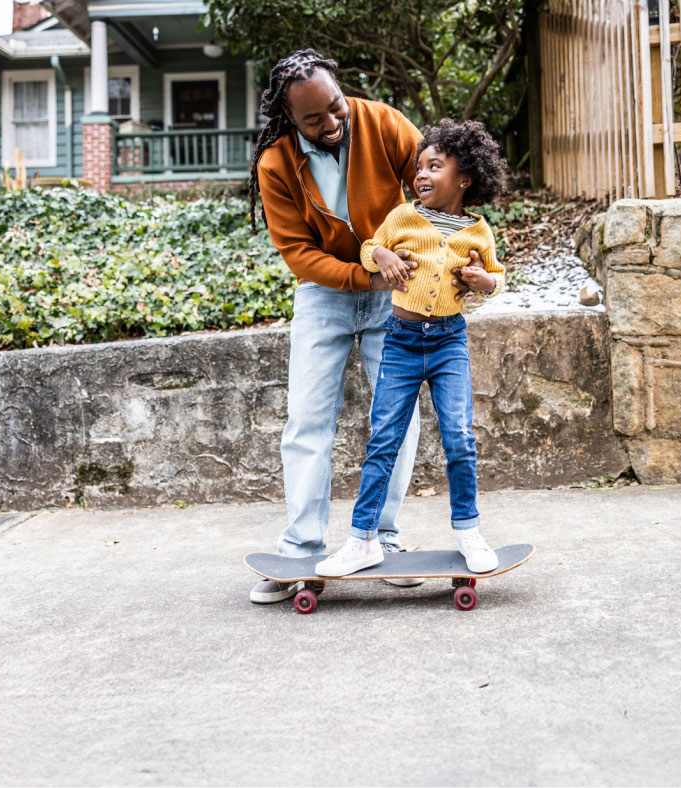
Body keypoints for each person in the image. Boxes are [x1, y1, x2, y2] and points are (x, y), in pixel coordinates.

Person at [247, 49, 427, 603]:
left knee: (396, 417)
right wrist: (361, 277)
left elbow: (434, 184)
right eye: (313, 119)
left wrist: (454, 251)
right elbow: (299, 254)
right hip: (326, 294)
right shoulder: (275, 164)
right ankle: (301, 552)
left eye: (335, 107)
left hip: (396, 286)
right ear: (288, 118)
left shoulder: (383, 122)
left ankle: (382, 540)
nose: (331, 123)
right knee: (306, 421)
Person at [314, 119, 507, 578]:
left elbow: (495, 277)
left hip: (449, 342)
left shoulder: (478, 232)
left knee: (459, 437)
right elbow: (370, 250)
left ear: (465, 178)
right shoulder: (403, 216)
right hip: (400, 342)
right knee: (383, 440)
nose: (421, 174)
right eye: (419, 166)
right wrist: (380, 256)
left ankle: (468, 530)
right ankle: (362, 541)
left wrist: (485, 281)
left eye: (434, 166)